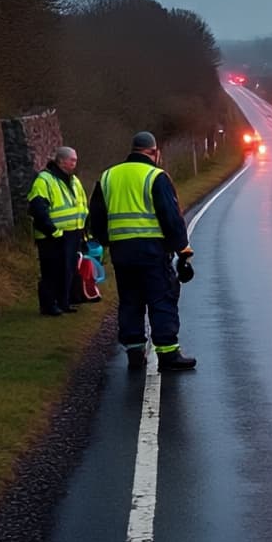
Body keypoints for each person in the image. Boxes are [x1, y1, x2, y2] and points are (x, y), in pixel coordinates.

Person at [87, 131, 197, 372]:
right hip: (151, 249)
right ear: (154, 152)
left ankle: (134, 352)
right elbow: (170, 215)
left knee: (130, 299)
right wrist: (182, 249)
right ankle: (168, 353)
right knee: (161, 297)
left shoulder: (108, 176)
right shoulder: (155, 176)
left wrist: (105, 240)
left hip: (122, 251)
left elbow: (96, 214)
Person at [27, 145, 88, 316]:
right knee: (51, 271)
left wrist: (84, 230)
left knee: (67, 270)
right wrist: (53, 231)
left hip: (72, 233)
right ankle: (49, 305)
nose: (75, 163)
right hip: (52, 236)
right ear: (61, 161)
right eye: (72, 160)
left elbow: (82, 205)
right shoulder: (44, 180)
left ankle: (64, 301)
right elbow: (38, 209)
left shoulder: (73, 180)